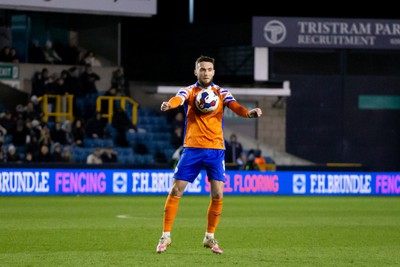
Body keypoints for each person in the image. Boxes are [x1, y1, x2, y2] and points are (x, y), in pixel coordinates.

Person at [156, 55, 262, 254]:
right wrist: (169, 105)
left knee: (218, 193)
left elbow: (235, 106)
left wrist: (248, 113)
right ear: (196, 71)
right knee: (176, 190)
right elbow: (177, 99)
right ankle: (165, 236)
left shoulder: (221, 93)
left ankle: (209, 237)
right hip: (192, 148)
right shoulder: (189, 90)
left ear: (213, 72)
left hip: (215, 150)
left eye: (209, 69)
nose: (205, 72)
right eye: (202, 69)